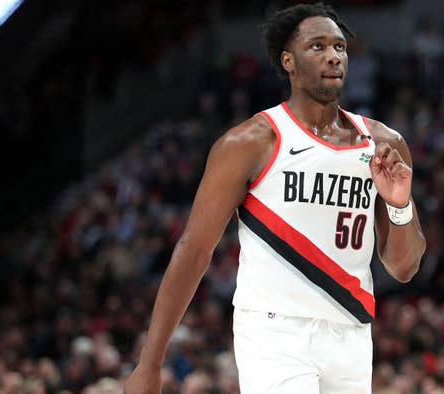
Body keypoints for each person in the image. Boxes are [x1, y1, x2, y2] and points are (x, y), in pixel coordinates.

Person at [124, 3, 426, 393]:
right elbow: (194, 248)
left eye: (339, 47)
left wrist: (399, 205)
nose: (333, 55)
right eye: (317, 46)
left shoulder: (384, 144)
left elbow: (403, 267)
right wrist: (151, 362)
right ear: (289, 61)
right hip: (275, 329)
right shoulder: (251, 142)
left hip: (351, 330)